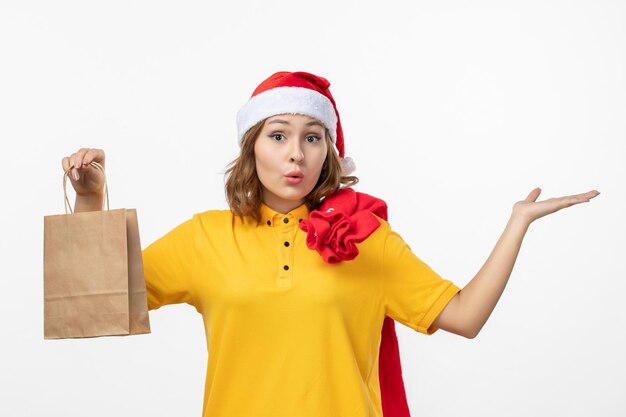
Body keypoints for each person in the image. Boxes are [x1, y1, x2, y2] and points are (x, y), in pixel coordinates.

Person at [60, 71, 600, 417]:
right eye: (278, 135)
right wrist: (92, 200)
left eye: (311, 137)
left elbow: (464, 316)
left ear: (327, 154)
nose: (295, 153)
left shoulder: (367, 239)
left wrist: (517, 225)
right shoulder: (205, 237)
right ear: (252, 150)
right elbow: (98, 306)